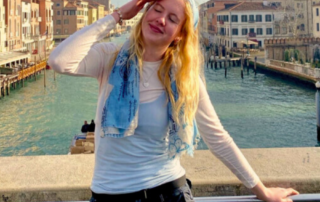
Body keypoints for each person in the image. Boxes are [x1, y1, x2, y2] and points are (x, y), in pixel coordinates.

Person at [48, 0, 299, 201]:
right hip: (108, 195)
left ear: (179, 35)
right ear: (145, 12)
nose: (160, 20)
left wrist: (263, 192)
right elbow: (59, 61)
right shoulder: (109, 58)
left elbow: (218, 138)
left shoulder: (185, 78)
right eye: (157, 9)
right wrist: (117, 15)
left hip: (168, 192)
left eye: (172, 18)